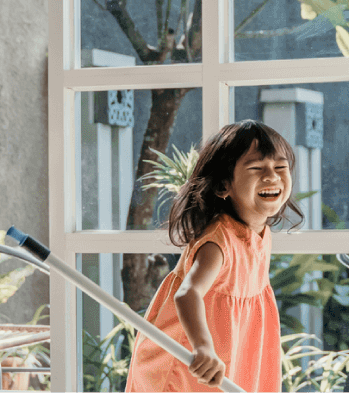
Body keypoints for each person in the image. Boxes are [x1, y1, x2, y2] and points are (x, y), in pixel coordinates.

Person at [124, 121, 298, 393]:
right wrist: (203, 347)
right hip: (191, 355)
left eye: (280, 167)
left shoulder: (259, 233)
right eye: (256, 168)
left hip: (239, 350)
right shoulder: (218, 241)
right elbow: (187, 294)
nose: (271, 177)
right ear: (223, 186)